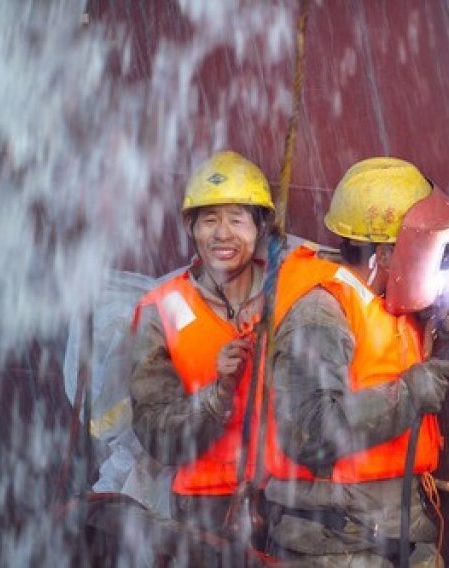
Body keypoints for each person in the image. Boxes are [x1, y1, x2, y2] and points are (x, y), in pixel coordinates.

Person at [265, 157, 449, 566]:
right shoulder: (320, 314)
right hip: (337, 548)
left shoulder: (383, 301)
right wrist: (409, 394)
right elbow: (309, 432)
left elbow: (380, 365)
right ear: (389, 254)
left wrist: (439, 336)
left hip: (391, 535)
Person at [129, 150, 272, 563]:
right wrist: (216, 394)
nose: (222, 234)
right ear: (190, 227)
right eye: (209, 219)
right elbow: (155, 432)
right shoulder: (160, 309)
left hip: (283, 504)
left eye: (237, 219)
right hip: (203, 511)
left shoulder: (289, 297)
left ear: (260, 227)